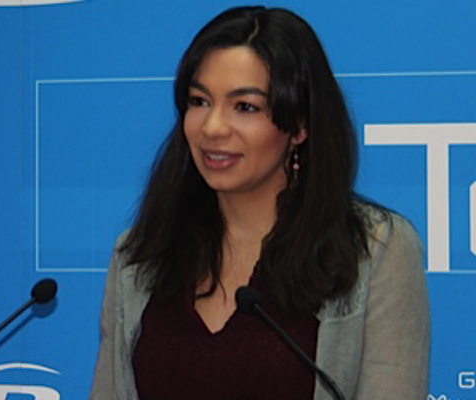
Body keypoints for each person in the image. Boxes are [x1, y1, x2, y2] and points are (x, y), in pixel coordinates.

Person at [89, 6, 429, 400]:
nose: (212, 127)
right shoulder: (140, 256)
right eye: (199, 101)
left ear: (299, 125)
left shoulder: (374, 251)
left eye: (245, 107)